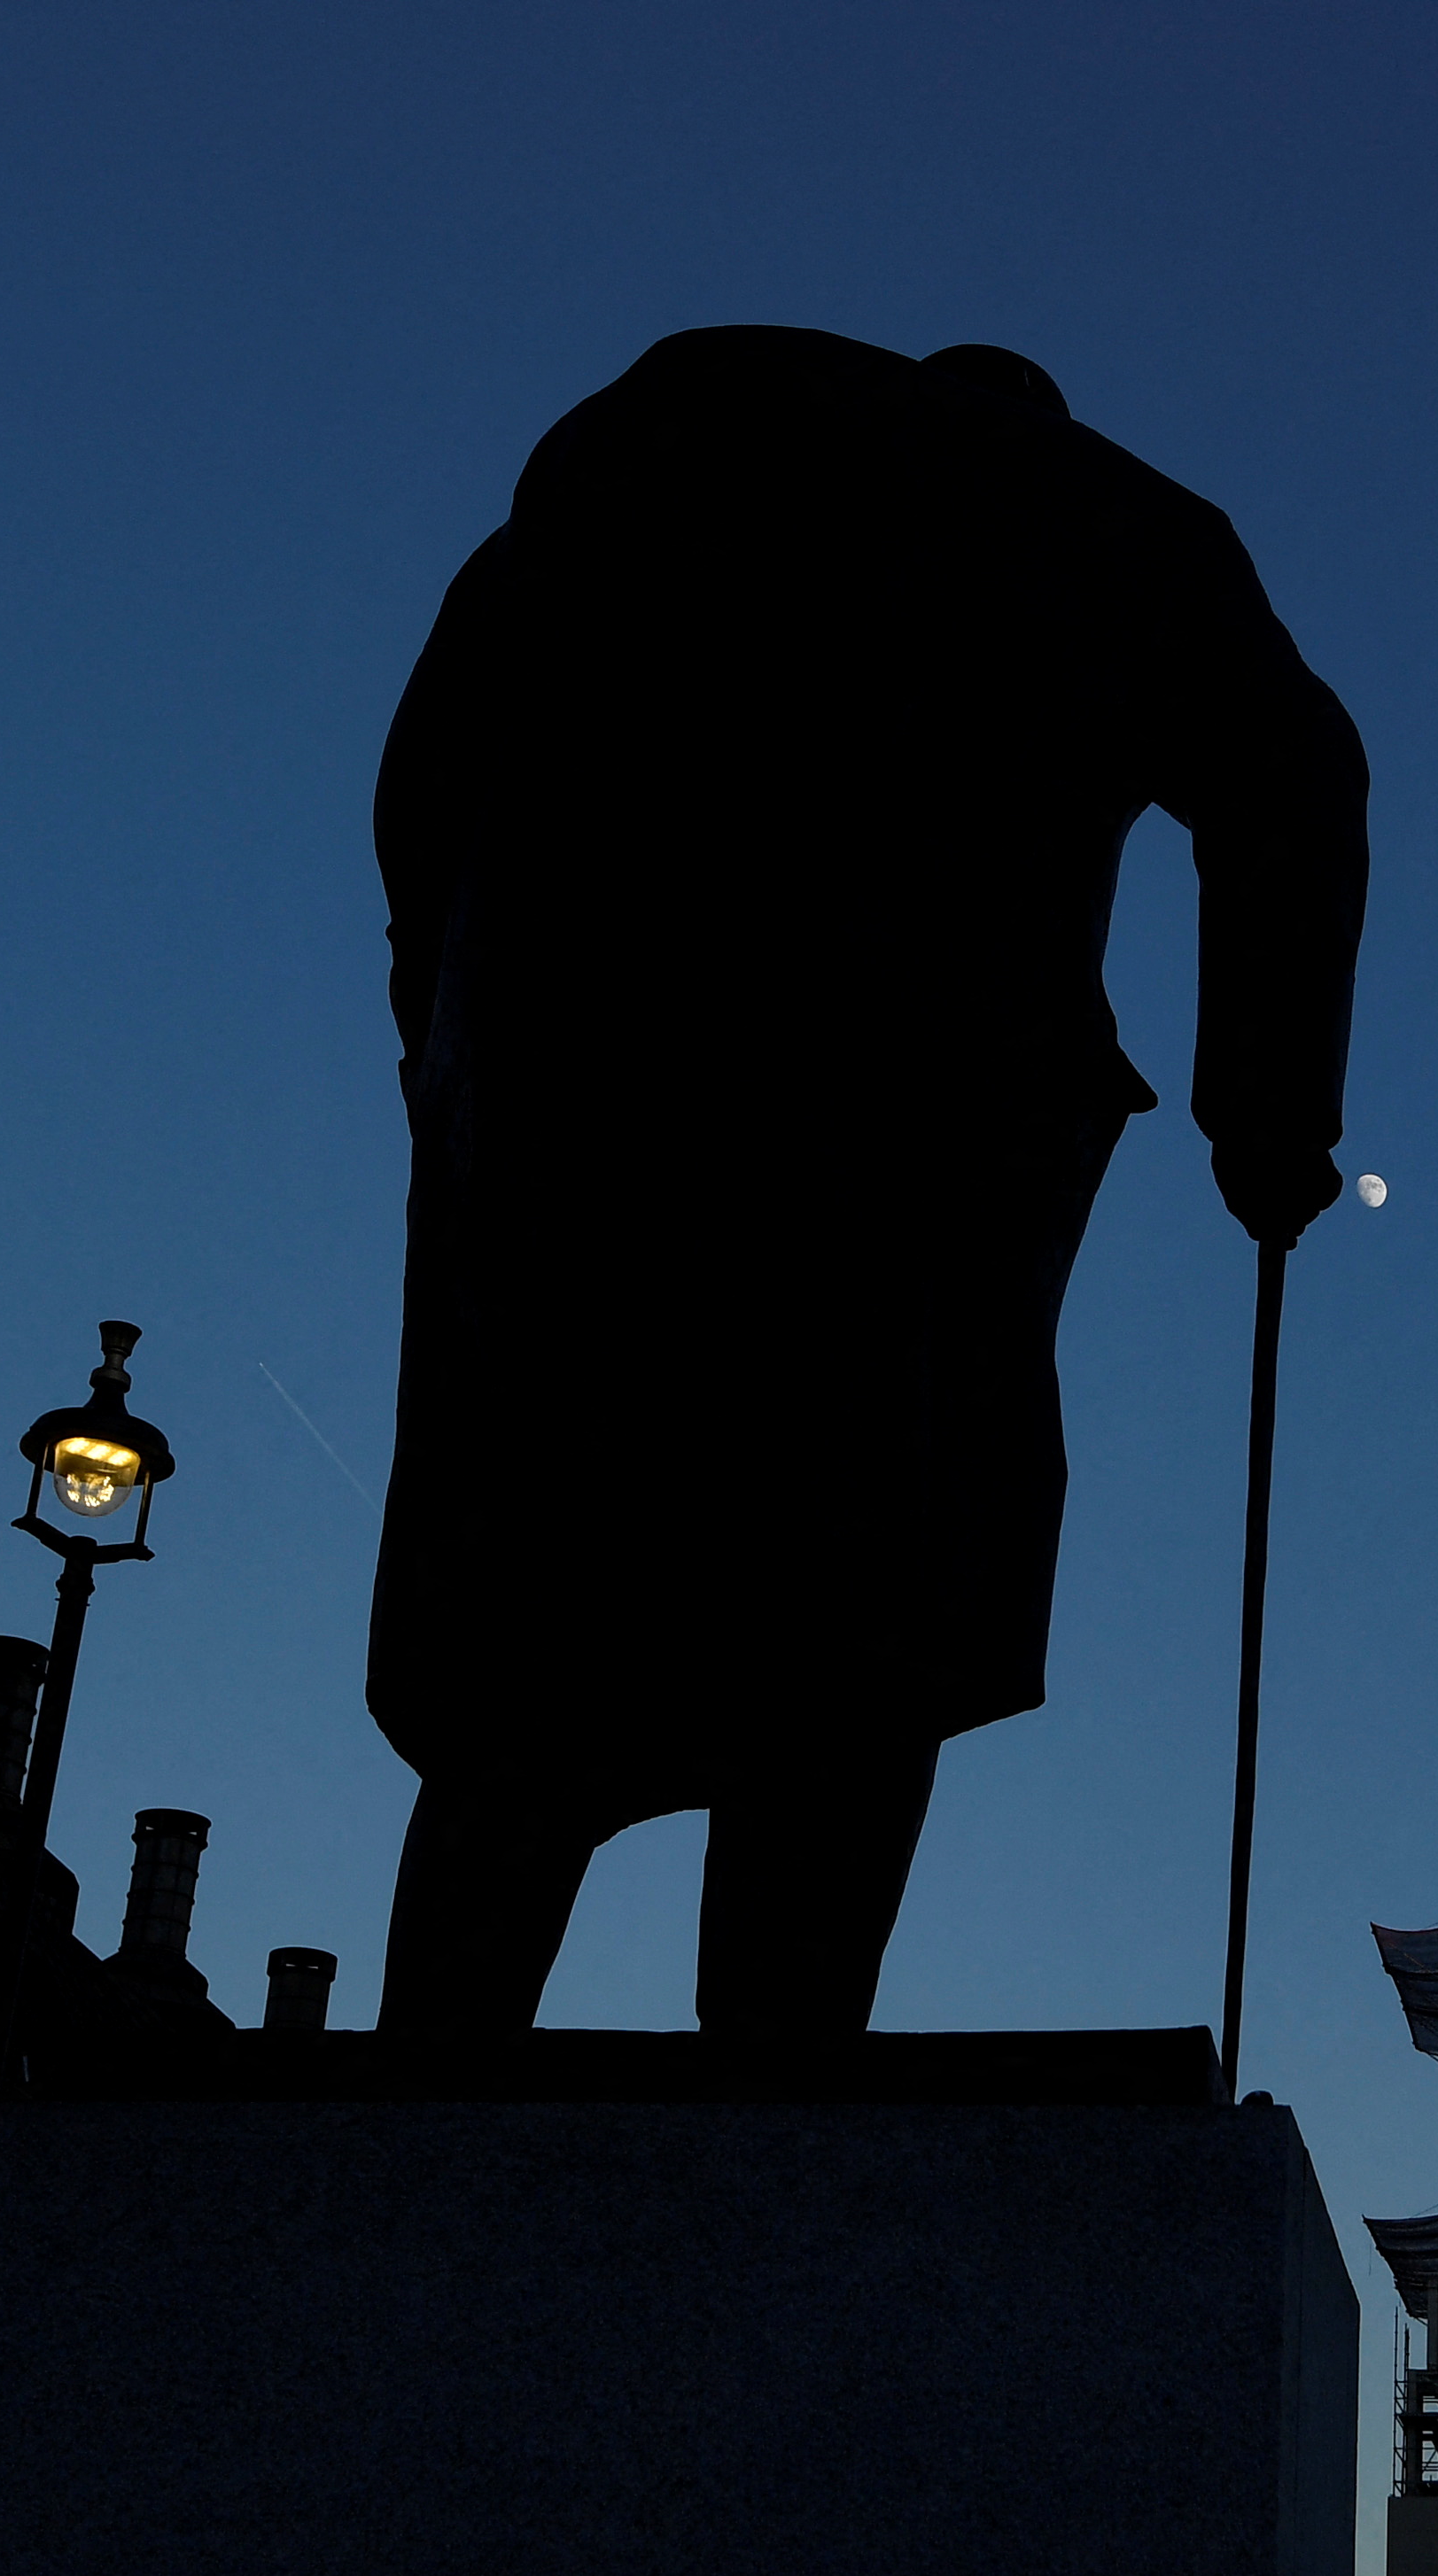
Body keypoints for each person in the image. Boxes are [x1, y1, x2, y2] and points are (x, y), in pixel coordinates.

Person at [363, 328, 1367, 2044]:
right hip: (904, 1118)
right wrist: (1264, 1119)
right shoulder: (1110, 519)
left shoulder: (633, 455)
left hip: (576, 1084)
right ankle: (782, 2057)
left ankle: (432, 2061)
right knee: (860, 1602)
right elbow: (1295, 779)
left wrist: (444, 1042)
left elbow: (422, 783)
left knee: (545, 1604)